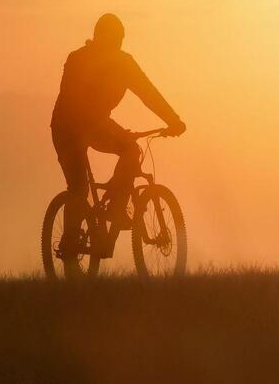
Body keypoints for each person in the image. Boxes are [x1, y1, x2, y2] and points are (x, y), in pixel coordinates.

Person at [51, 13, 186, 245]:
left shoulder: (124, 63)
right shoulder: (79, 59)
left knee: (129, 152)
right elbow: (72, 99)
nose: (115, 45)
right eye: (112, 39)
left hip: (94, 124)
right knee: (79, 187)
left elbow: (148, 93)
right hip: (67, 128)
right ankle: (72, 239)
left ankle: (114, 206)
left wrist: (173, 120)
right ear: (98, 37)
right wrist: (104, 127)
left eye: (118, 40)